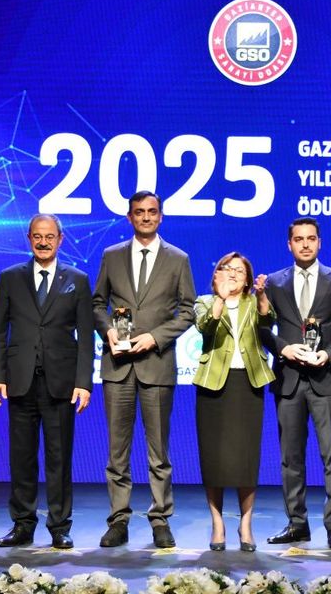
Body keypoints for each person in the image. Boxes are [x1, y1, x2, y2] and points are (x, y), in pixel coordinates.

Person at [92, 190, 196, 549]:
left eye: (152, 212)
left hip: (157, 364)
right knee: (117, 451)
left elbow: (188, 310)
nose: (146, 217)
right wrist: (106, 329)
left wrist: (155, 337)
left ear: (160, 216)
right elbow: (97, 303)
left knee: (158, 451)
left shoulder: (178, 258)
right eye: (139, 212)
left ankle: (160, 519)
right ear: (130, 217)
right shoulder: (112, 255)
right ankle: (118, 520)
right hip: (118, 365)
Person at [0, 214, 94, 549]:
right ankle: (22, 524)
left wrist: (84, 382)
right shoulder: (10, 277)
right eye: (37, 236)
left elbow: (86, 337)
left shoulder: (77, 279)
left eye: (49, 237)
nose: (43, 242)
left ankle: (60, 526)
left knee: (59, 458)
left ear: (60, 240)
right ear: (29, 238)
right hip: (20, 382)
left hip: (61, 383)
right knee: (21, 458)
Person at [261, 217, 331, 551]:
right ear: (289, 244)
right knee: (291, 457)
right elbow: (262, 327)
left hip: (325, 379)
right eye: (299, 239)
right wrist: (283, 348)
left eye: (311, 238)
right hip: (288, 379)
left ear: (319, 242)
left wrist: (328, 354)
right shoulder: (273, 283)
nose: (305, 244)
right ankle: (297, 525)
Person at [192, 252, 275, 552]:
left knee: (246, 459)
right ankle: (217, 523)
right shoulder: (204, 301)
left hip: (247, 385)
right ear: (217, 274)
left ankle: (246, 524)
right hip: (213, 385)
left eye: (240, 270)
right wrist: (221, 297)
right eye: (228, 269)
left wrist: (262, 295)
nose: (234, 274)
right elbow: (205, 326)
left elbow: (268, 321)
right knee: (213, 459)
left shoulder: (253, 301)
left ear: (249, 278)